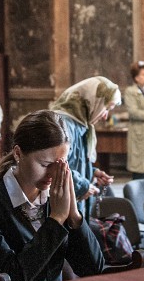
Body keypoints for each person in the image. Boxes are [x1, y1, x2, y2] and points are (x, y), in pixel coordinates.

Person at [0, 109, 106, 281]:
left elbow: (93, 269)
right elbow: (11, 279)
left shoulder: (55, 198)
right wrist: (56, 219)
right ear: (18, 153)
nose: (52, 174)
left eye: (60, 165)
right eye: (45, 164)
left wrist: (74, 215)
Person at [48, 76, 122, 219]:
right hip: (62, 208)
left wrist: (92, 172)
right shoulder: (63, 124)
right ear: (93, 102)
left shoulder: (81, 123)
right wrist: (83, 185)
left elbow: (74, 161)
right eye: (106, 108)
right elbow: (56, 165)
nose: (105, 116)